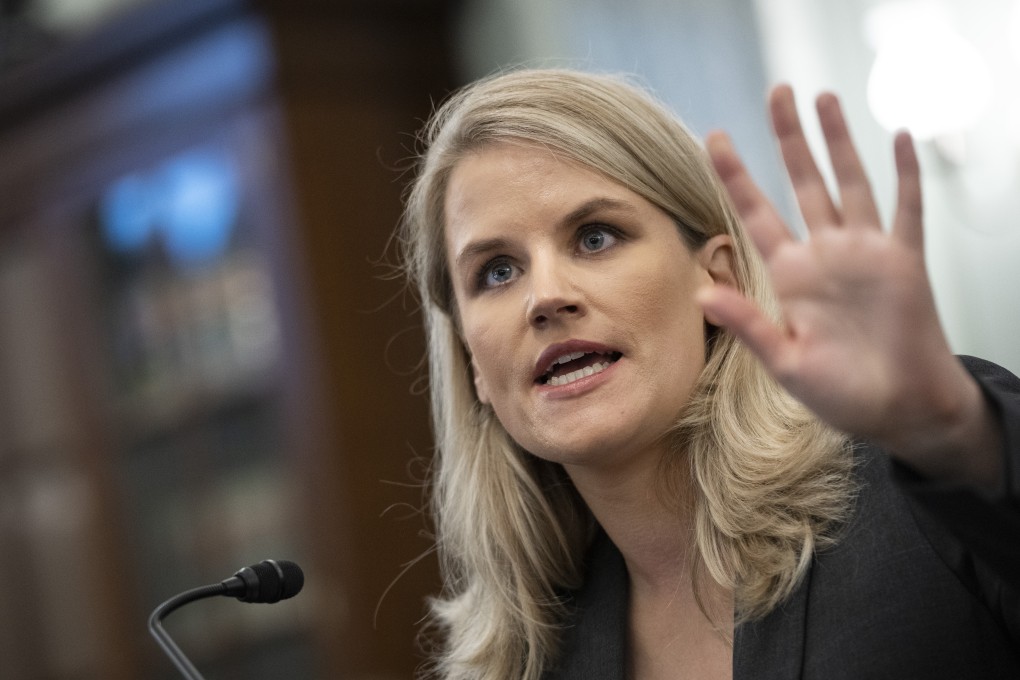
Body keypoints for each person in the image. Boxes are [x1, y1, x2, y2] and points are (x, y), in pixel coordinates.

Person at [398, 68, 1020, 680]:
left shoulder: (935, 475)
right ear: (471, 361)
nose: (546, 296)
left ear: (717, 274)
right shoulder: (529, 661)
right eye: (498, 272)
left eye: (595, 237)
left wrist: (950, 429)